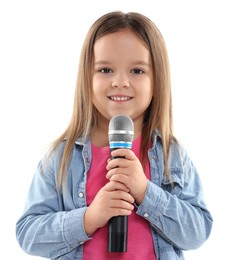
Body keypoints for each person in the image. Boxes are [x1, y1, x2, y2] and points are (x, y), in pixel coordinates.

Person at [16, 11, 213, 259]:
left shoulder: (171, 155)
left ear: (157, 80)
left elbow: (198, 232)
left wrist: (144, 191)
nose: (120, 81)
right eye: (106, 69)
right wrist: (88, 218)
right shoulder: (61, 157)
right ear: (88, 77)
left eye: (137, 71)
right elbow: (28, 234)